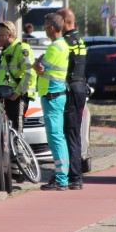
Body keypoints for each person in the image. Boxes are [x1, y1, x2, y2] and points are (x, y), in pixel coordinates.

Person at [33, 12, 70, 190]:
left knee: (55, 138)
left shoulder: (55, 47)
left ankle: (61, 179)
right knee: (58, 137)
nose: (44, 29)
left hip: (52, 96)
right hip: (55, 95)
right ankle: (62, 176)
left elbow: (40, 67)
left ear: (52, 28)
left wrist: (36, 63)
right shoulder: (62, 45)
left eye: (46, 26)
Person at [59, 7, 88, 190]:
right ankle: (75, 174)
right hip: (80, 88)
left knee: (69, 133)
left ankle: (75, 177)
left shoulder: (65, 42)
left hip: (70, 89)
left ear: (65, 21)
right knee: (75, 133)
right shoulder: (80, 40)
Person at [0, 21, 35, 136]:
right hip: (7, 98)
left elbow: (30, 73)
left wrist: (18, 92)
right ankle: (13, 153)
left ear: (10, 35)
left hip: (17, 98)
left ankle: (19, 153)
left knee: (16, 131)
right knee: (10, 132)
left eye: (1, 35)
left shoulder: (21, 49)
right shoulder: (6, 51)